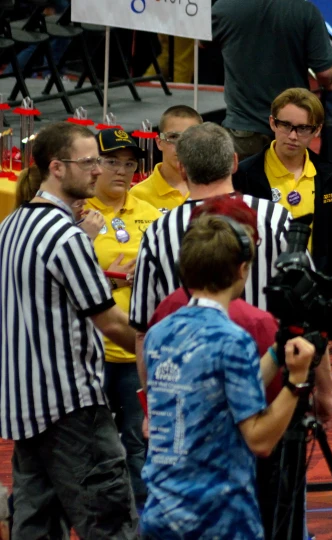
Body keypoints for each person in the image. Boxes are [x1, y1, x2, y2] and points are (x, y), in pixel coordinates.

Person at [129, 122, 332, 427]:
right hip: (272, 393)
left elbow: (143, 332)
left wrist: (156, 403)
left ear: (182, 169)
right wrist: (326, 390)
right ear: (235, 162)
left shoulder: (160, 231)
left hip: (190, 395)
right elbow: (311, 309)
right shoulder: (277, 217)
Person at [0, 122, 138, 538]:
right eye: (89, 161)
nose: (98, 169)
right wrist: (168, 350)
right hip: (72, 408)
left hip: (24, 407)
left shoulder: (10, 227)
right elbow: (111, 321)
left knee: (36, 526)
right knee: (111, 525)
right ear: (57, 168)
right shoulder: (66, 238)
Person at [140, 212, 316, 539]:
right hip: (218, 518)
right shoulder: (232, 339)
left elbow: (219, 390)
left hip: (160, 512)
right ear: (242, 270)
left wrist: (276, 354)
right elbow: (260, 440)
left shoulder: (159, 333)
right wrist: (296, 380)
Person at [84, 128, 163, 508]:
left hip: (136, 350)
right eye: (112, 161)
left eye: (129, 164)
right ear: (93, 165)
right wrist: (105, 277)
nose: (121, 171)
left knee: (137, 441)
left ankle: (139, 520)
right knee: (90, 442)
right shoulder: (76, 215)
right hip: (89, 350)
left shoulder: (151, 216)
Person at [212, 0, 332, 161]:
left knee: (244, 185)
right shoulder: (306, 11)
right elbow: (325, 74)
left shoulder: (225, 7)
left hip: (243, 129)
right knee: (290, 184)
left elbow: (202, 42)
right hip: (290, 130)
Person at [233, 88, 332, 271]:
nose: (293, 136)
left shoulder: (328, 175)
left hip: (313, 284)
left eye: (303, 128)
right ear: (272, 123)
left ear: (317, 130)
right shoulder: (244, 174)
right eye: (285, 125)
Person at [129, 105, 203, 213]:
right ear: (159, 142)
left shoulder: (213, 189)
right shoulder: (138, 195)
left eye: (190, 138)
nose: (181, 145)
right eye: (173, 137)